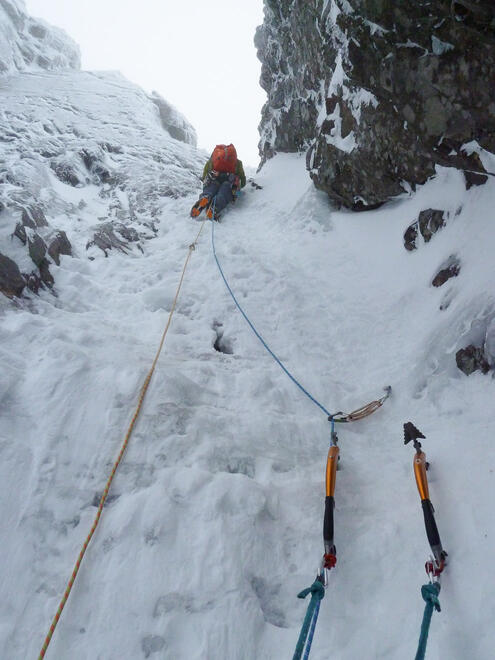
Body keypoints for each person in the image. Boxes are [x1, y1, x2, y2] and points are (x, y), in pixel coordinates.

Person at [190, 144, 246, 221]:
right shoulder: (238, 163)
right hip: (228, 183)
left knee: (211, 186)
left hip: (213, 180)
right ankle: (214, 207)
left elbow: (204, 177)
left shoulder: (213, 160)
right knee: (224, 190)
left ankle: (206, 197)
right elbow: (243, 182)